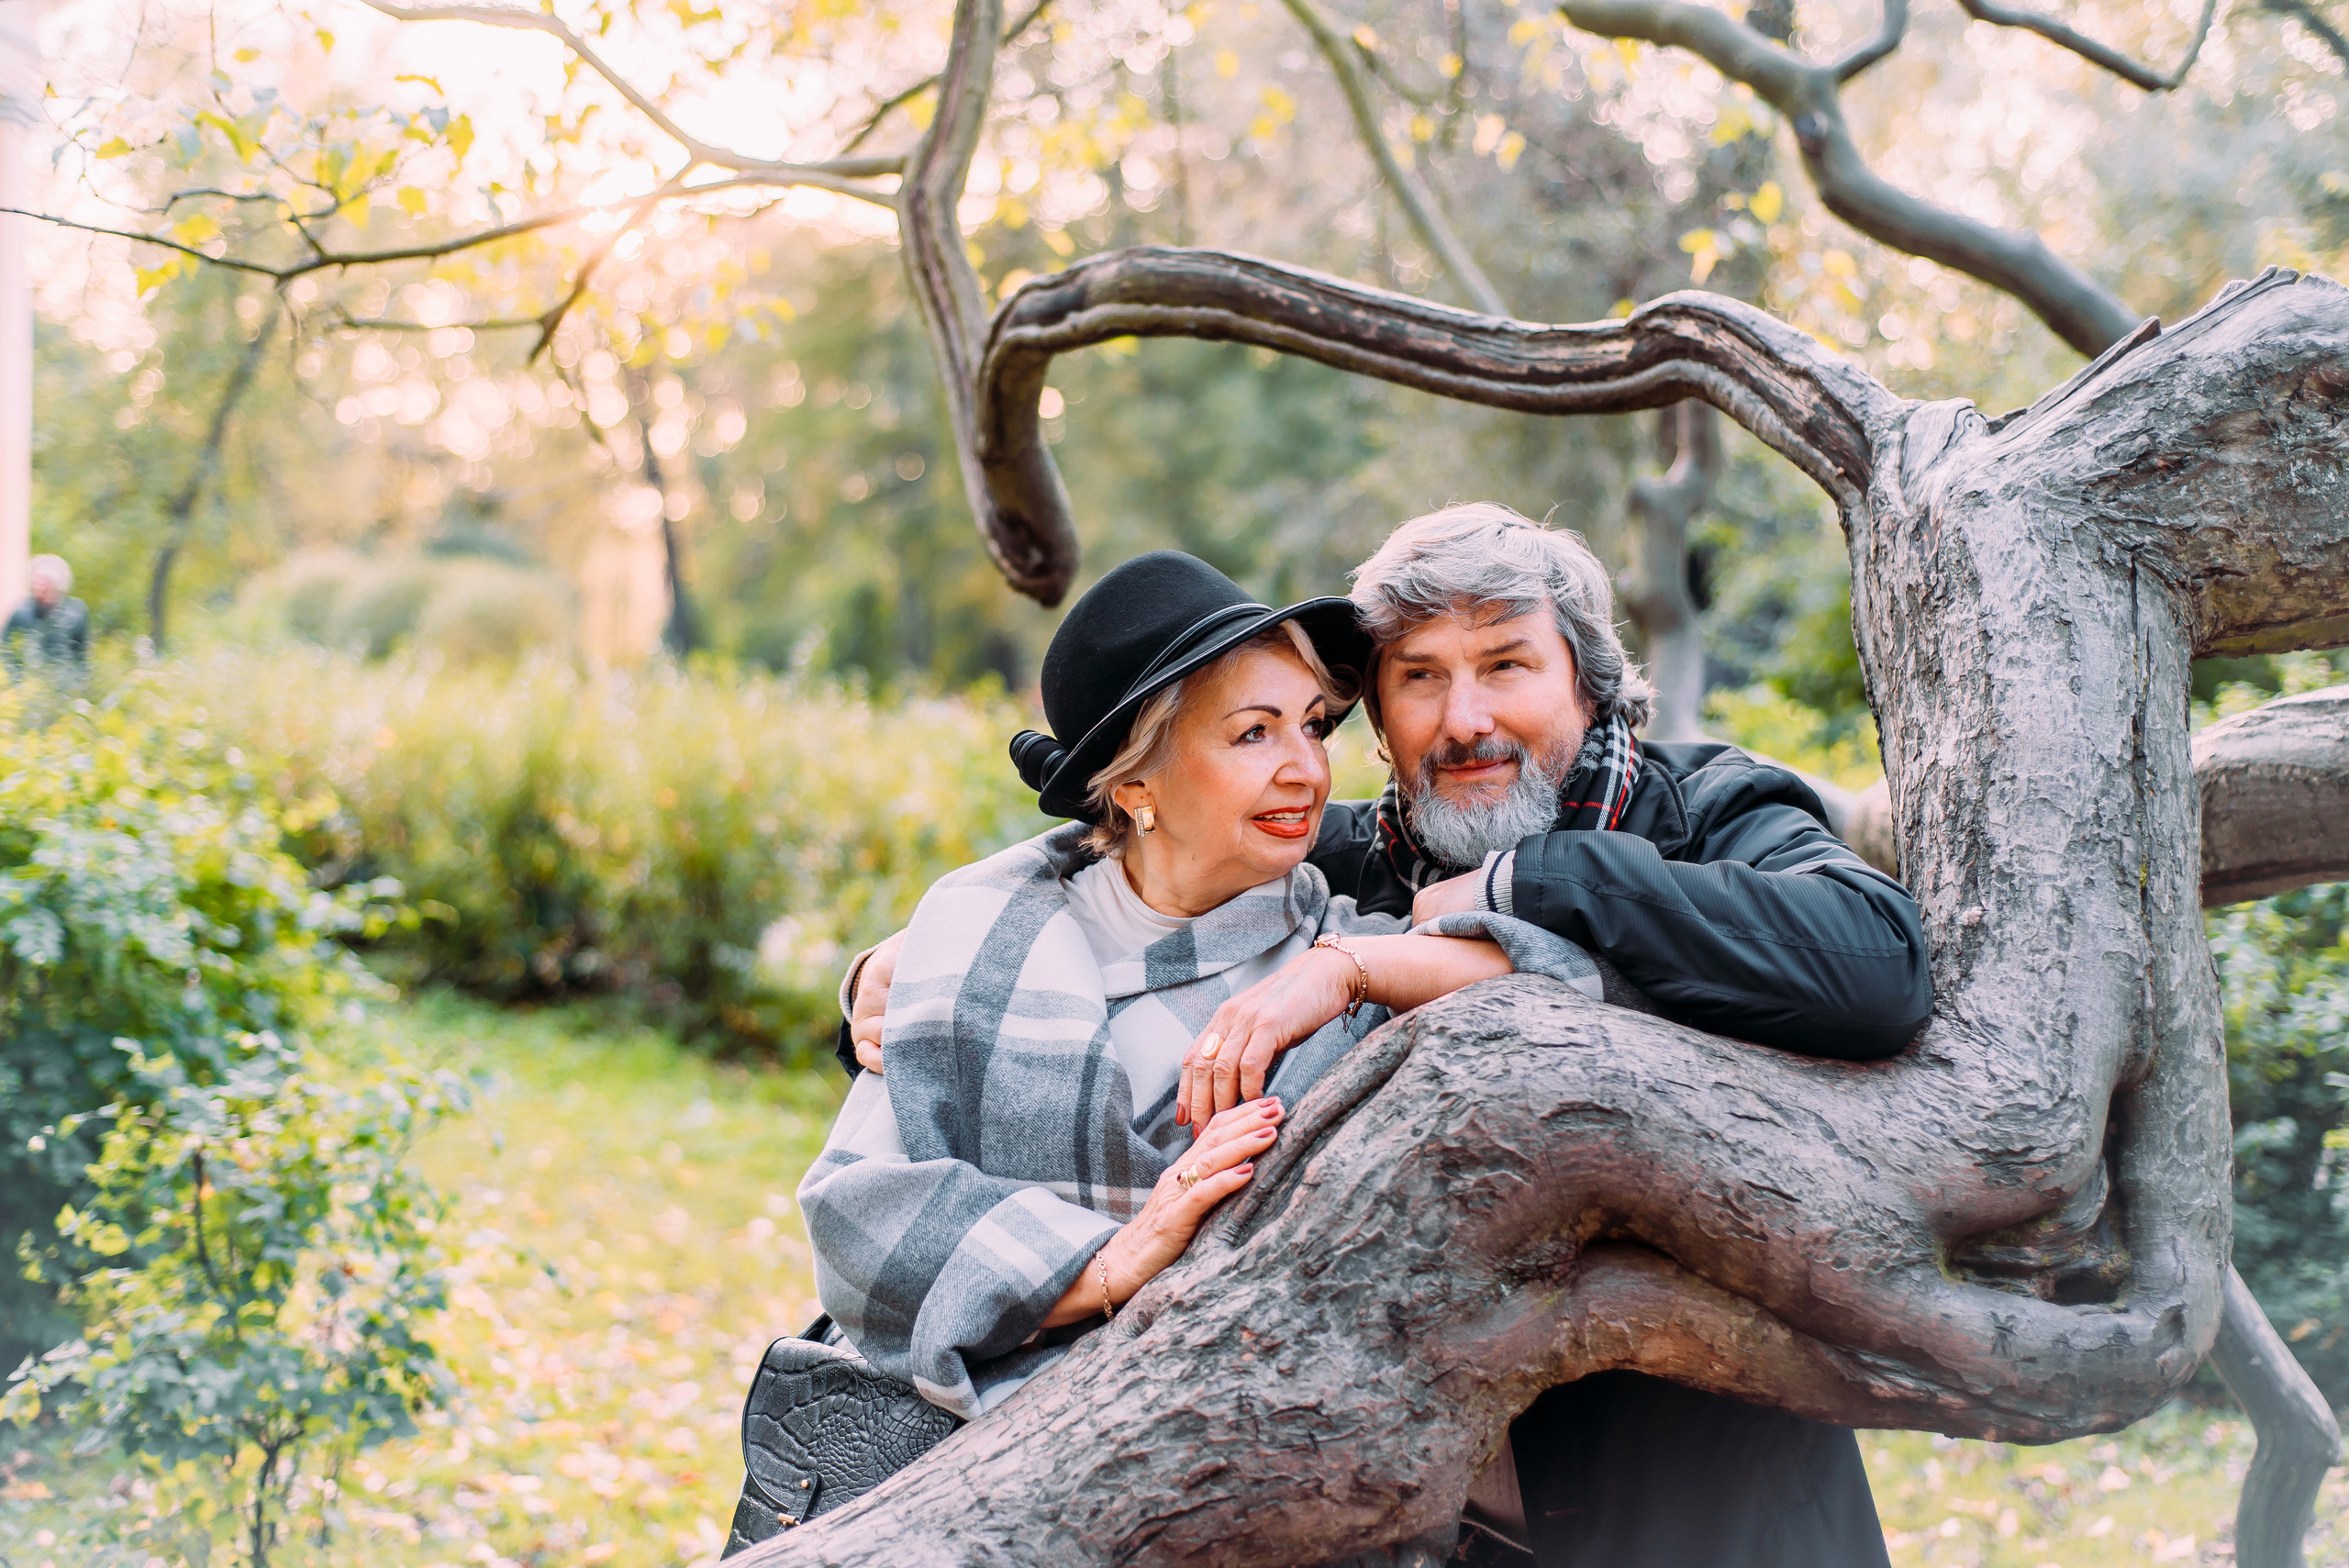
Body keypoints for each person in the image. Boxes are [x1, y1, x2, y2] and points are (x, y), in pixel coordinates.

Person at [842, 507, 1932, 1567]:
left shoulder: (1708, 809)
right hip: (1420, 1508)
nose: (1465, 720)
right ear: (1377, 714)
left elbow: (1877, 963)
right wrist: (893, 973)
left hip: (1701, 1504)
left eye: (1505, 664)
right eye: (1420, 676)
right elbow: (1121, 887)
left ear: (1589, 685)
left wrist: (1520, 883)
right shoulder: (1341, 859)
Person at [798, 550, 1608, 1422]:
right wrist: (1110, 1262)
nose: (1306, 768)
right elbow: (859, 1218)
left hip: (1223, 1435)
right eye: (1254, 732)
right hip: (922, 1444)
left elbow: (1556, 977)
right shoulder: (979, 929)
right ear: (1138, 779)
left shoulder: (1336, 947)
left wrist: (1346, 969)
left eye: (1313, 725)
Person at [4, 556, 89, 684]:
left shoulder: (76, 612)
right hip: (28, 685)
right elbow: (5, 649)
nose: (37, 585)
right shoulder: (21, 611)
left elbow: (82, 655)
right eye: (35, 580)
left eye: (43, 581)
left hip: (65, 686)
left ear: (56, 585)